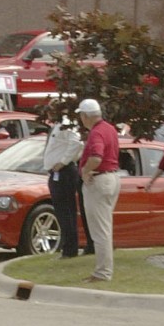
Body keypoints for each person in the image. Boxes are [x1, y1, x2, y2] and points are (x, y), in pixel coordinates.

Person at [77, 96, 122, 282]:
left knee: (100, 231)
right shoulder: (109, 129)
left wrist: (85, 171)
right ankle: (103, 270)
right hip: (112, 178)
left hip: (99, 180)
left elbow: (96, 157)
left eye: (81, 116)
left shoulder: (96, 133)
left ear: (86, 116)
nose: (81, 119)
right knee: (104, 227)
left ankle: (103, 273)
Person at [37, 102, 84, 259]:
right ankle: (68, 247)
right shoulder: (57, 126)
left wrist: (63, 162)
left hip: (64, 172)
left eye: (51, 110)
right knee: (62, 211)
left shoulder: (66, 124)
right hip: (56, 173)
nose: (49, 114)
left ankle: (70, 249)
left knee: (66, 212)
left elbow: (77, 142)